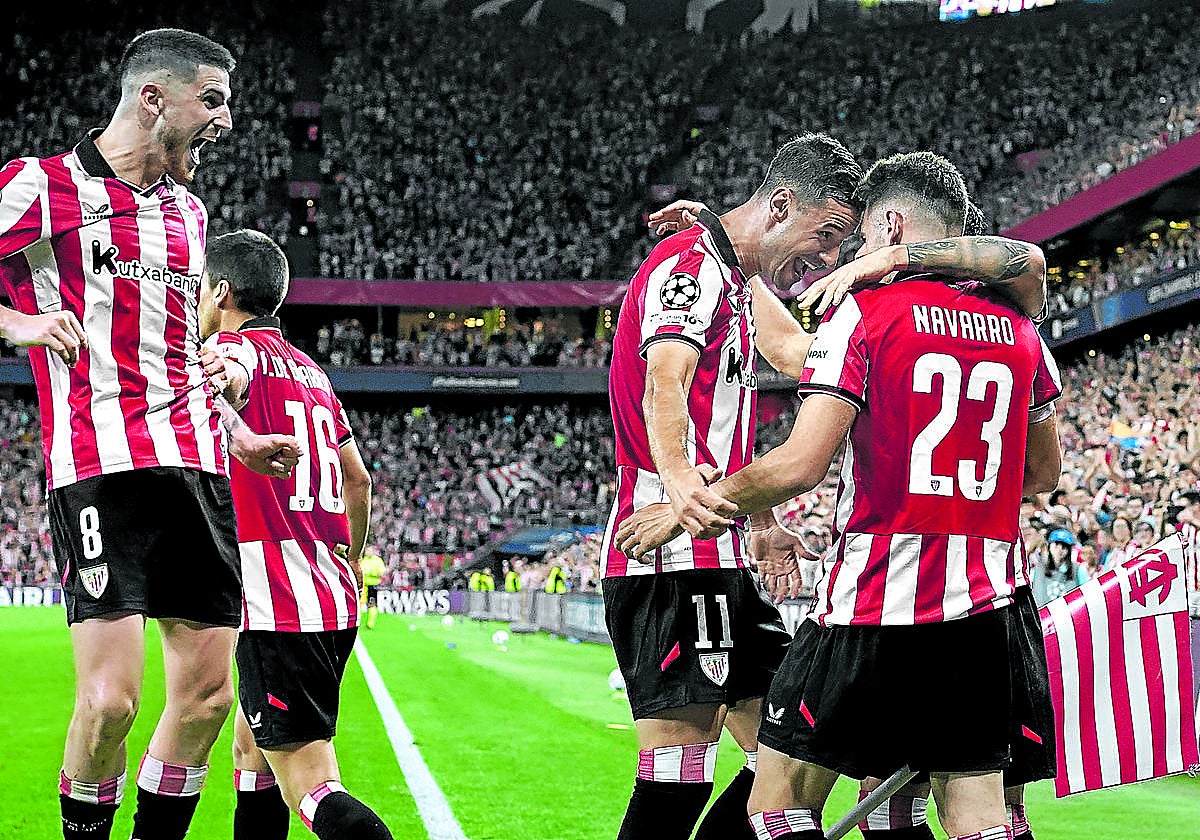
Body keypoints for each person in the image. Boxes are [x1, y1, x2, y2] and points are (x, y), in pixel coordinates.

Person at [616, 151, 1063, 840]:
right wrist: (720, 241)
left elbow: (799, 459)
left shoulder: (867, 313)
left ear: (886, 226)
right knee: (966, 809)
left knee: (777, 800)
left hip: (871, 596)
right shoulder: (1020, 323)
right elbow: (1040, 475)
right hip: (987, 603)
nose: (838, 257)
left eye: (847, 242)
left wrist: (688, 501)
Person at [0, 29, 302, 840]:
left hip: (198, 471)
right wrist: (19, 323)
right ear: (152, 98)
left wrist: (237, 437)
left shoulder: (189, 215)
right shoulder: (40, 186)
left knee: (207, 697)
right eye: (212, 99)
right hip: (99, 468)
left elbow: (180, 356)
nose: (226, 120)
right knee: (110, 703)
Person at [600, 134, 862, 840]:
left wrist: (765, 519)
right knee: (677, 782)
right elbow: (667, 380)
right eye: (827, 235)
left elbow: (788, 363)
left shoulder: (733, 279)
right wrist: (681, 486)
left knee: (788, 752)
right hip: (673, 556)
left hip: (721, 553)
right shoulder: (692, 265)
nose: (829, 260)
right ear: (781, 205)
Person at [197, 229, 391, 839]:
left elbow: (222, 382)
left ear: (221, 292)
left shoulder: (232, 353)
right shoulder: (312, 374)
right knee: (253, 761)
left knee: (312, 786)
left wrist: (227, 404)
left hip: (276, 604)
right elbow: (358, 480)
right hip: (330, 595)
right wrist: (348, 562)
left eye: (199, 289)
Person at [359, 548, 387, 630]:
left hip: (373, 586)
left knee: (372, 604)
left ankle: (370, 624)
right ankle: (358, 622)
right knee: (360, 603)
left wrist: (370, 573)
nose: (367, 552)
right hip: (364, 585)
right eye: (366, 551)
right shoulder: (364, 560)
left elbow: (381, 572)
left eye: (369, 551)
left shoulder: (378, 561)